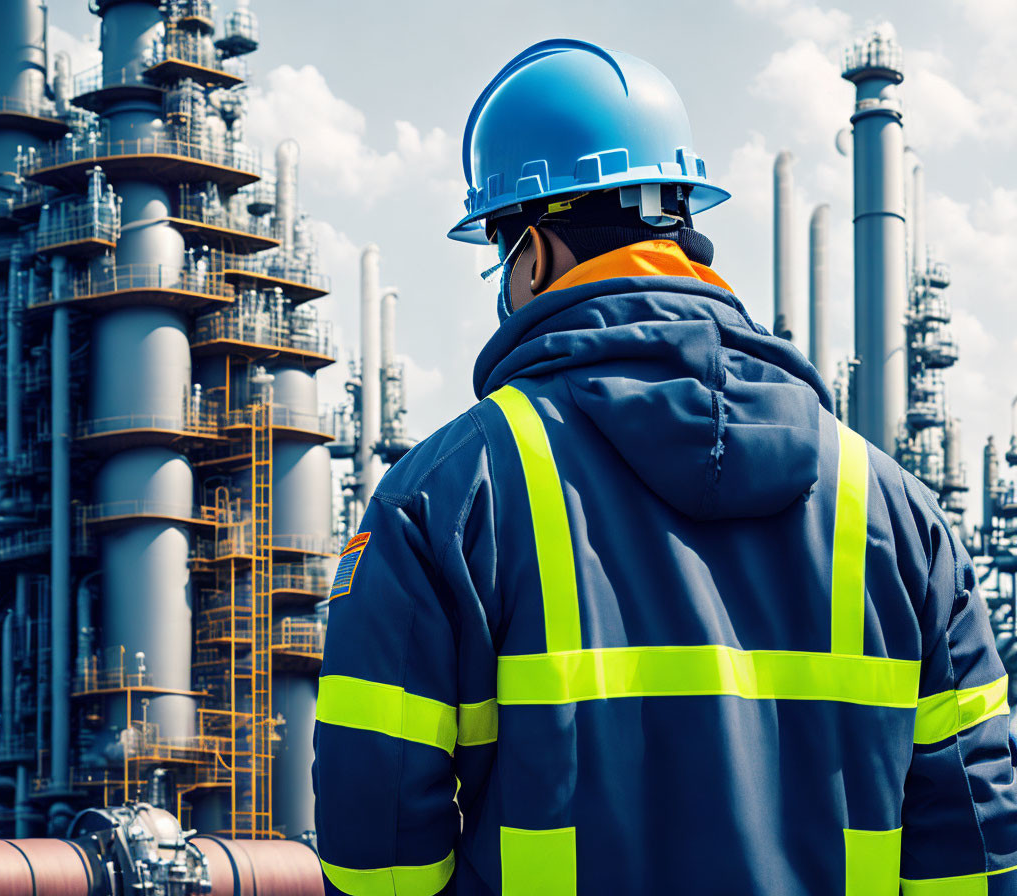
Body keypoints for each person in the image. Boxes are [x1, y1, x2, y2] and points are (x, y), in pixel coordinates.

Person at [311, 39, 1017, 895]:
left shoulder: (448, 497)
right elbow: (978, 848)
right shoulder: (898, 512)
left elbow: (377, 859)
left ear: (533, 251)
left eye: (501, 256)